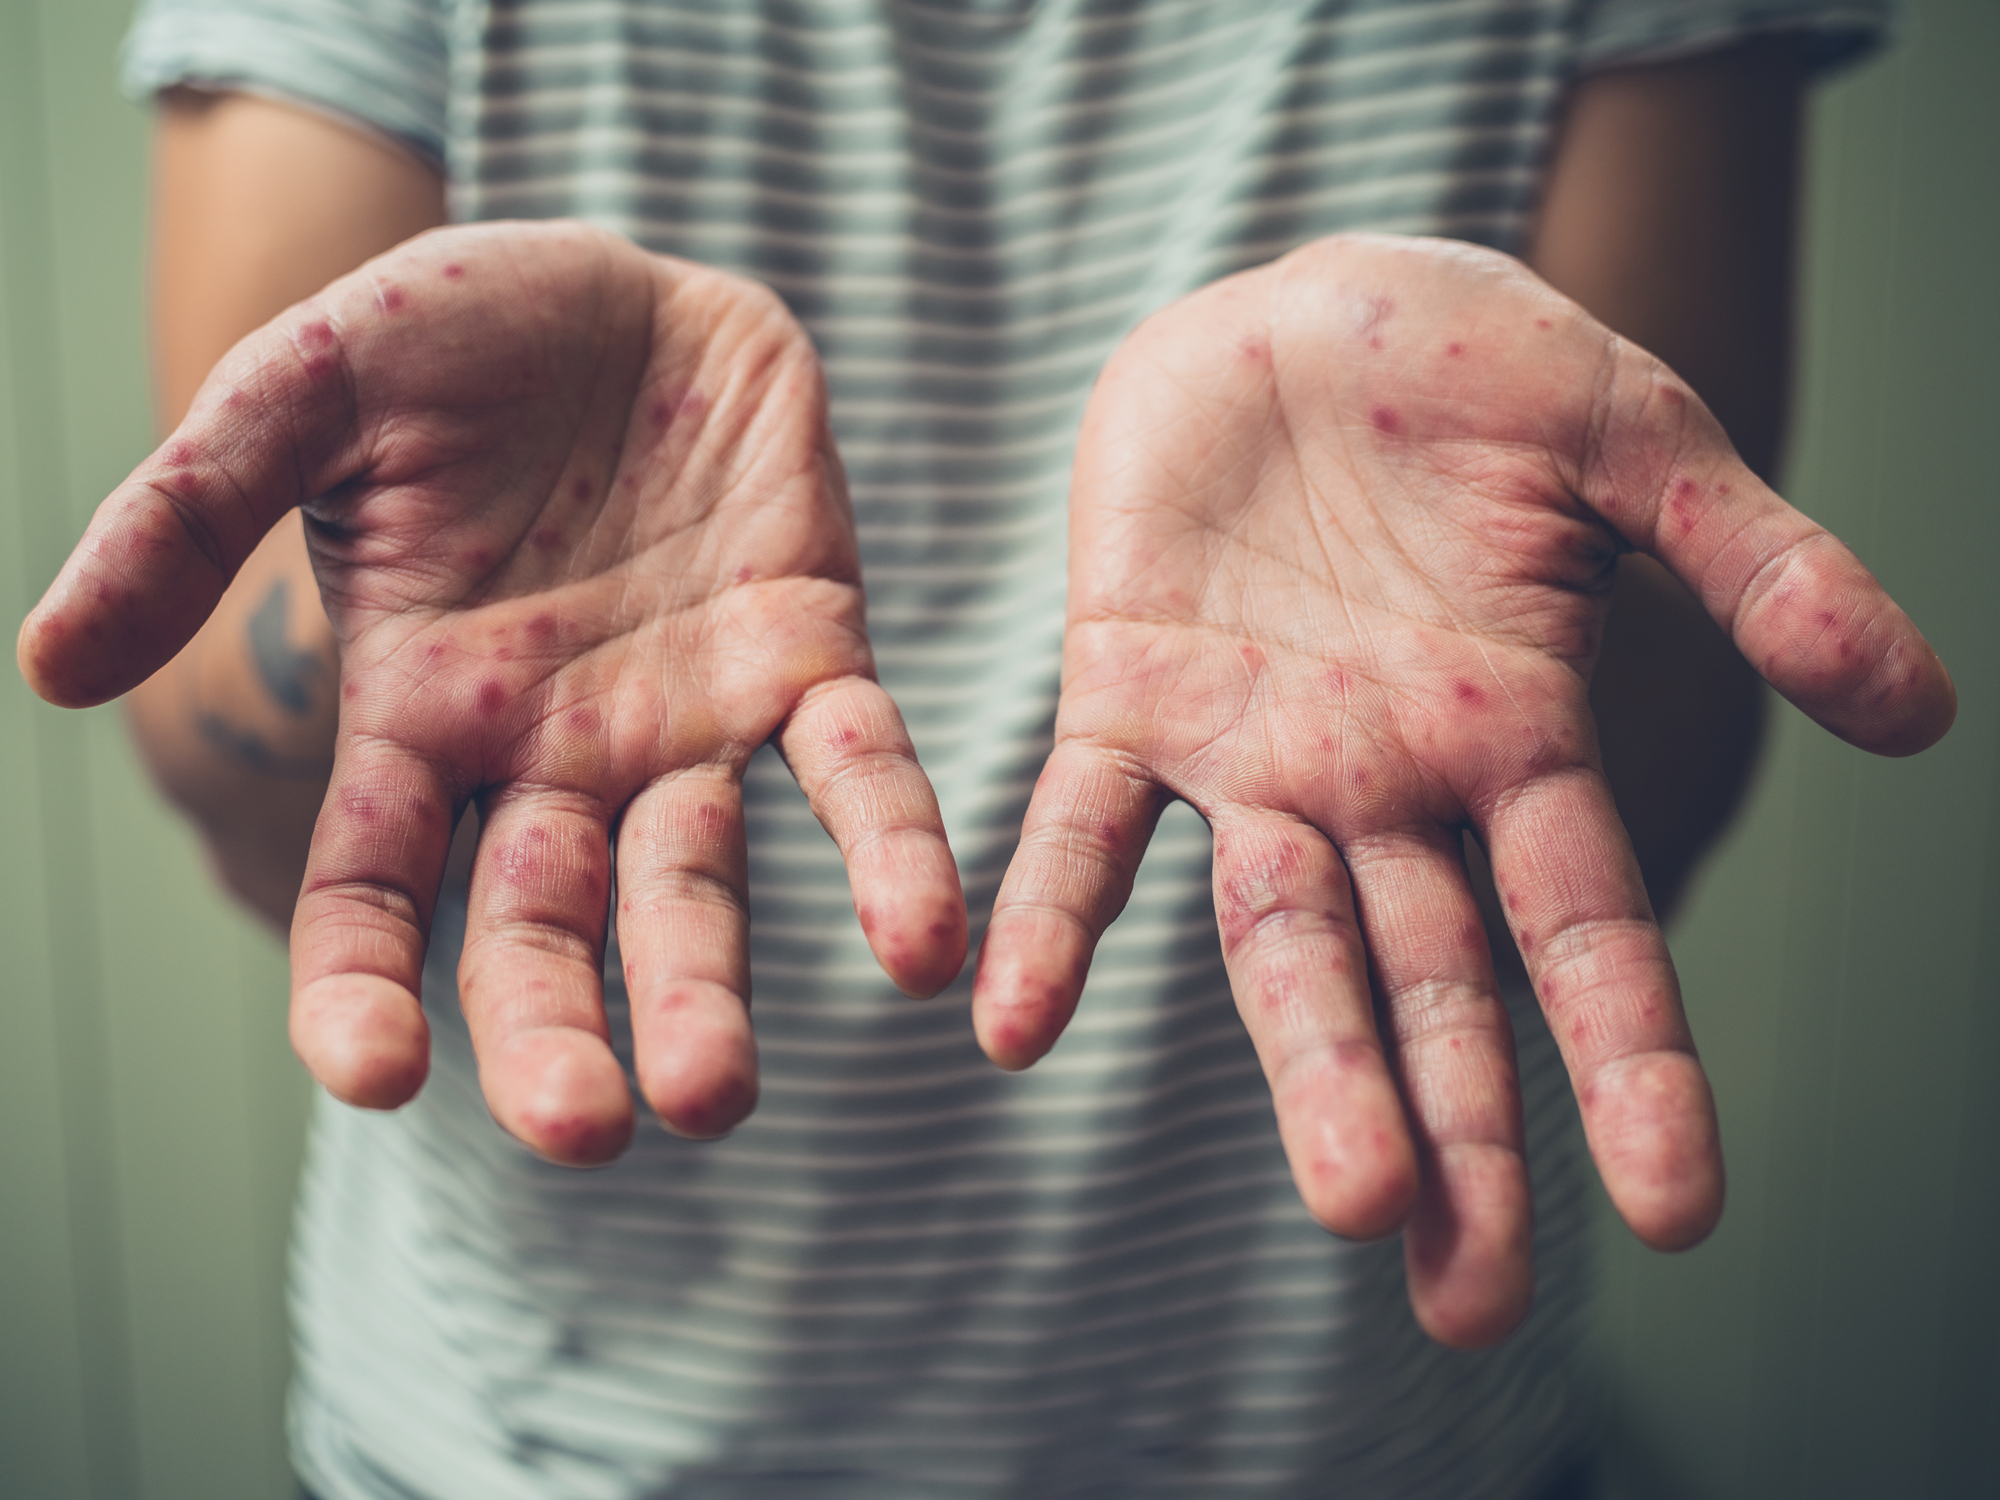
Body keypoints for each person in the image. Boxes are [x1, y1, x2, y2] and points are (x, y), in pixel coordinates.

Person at [17, 1, 1952, 1495]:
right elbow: (239, 740)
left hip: (1353, 1443)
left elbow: (1629, 792)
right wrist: (393, 614)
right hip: (533, 1439)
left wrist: (1511, 552)